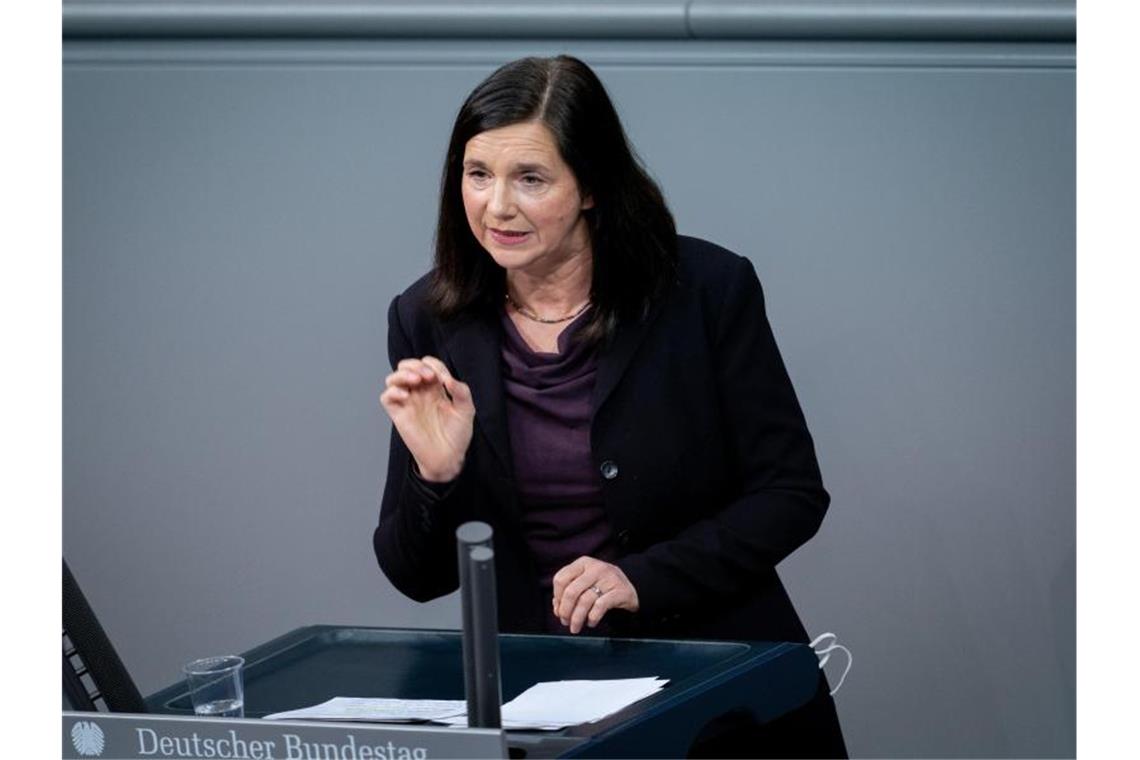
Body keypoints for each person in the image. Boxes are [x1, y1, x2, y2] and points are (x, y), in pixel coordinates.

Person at [373, 55, 847, 758]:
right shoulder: (428, 318)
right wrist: (434, 477)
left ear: (591, 185)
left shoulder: (705, 290)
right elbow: (417, 577)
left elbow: (790, 493)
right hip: (545, 706)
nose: (496, 206)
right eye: (478, 175)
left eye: (530, 178)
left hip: (718, 691)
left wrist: (639, 578)